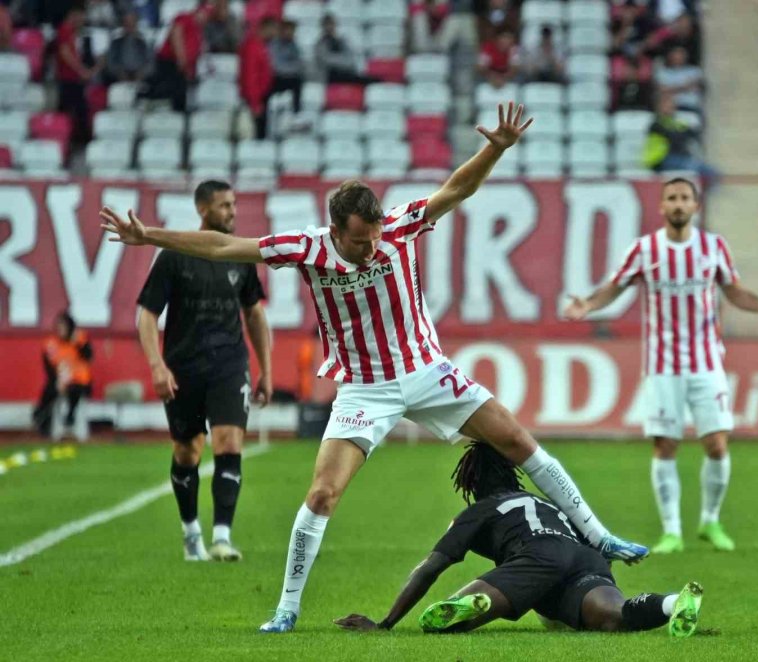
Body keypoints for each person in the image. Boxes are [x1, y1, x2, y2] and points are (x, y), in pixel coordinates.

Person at [100, 102, 650, 633]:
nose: (370, 249)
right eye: (359, 242)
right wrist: (148, 235)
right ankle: (287, 609)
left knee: (518, 440)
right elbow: (223, 248)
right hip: (365, 389)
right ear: (335, 230)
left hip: (427, 371)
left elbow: (457, 188)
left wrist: (496, 152)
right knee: (321, 495)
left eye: (374, 237)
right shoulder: (306, 248)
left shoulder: (400, 228)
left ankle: (598, 535)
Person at [563, 178, 758, 554]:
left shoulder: (713, 247)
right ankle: (671, 531)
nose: (679, 204)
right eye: (672, 198)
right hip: (663, 364)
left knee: (716, 443)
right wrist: (587, 304)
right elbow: (615, 286)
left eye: (685, 198)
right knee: (665, 444)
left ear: (696, 206)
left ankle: (711, 521)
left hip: (706, 361)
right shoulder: (644, 249)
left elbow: (733, 290)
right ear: (662, 207)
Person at [334, 441, 703, 637]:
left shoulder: (480, 510)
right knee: (614, 616)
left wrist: (385, 622)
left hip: (535, 561)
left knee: (441, 623)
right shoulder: (544, 502)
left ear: (473, 482)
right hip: (582, 559)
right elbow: (591, 544)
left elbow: (431, 566)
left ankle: (473, 603)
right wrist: (599, 580)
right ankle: (672, 603)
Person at [134, 180, 273, 563]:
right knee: (188, 450)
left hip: (229, 364)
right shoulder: (175, 256)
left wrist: (266, 368)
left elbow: (254, 313)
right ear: (202, 210)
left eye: (233, 204)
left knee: (229, 441)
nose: (232, 212)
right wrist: (157, 366)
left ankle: (222, 537)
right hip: (183, 367)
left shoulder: (240, 257)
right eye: (224, 205)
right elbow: (146, 315)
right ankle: (191, 531)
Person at [33, 311, 93, 441]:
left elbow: (88, 357)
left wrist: (78, 343)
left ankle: (71, 415)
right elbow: (48, 368)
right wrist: (57, 381)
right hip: (59, 380)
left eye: (64, 327)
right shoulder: (51, 344)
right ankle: (42, 416)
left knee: (75, 389)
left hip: (79, 381)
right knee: (49, 390)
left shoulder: (80, 339)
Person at [643, 93, 717, 186]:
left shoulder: (677, 123)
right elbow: (673, 137)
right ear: (659, 107)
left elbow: (693, 133)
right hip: (661, 160)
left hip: (680, 158)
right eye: (666, 105)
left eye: (672, 104)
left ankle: (704, 197)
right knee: (692, 168)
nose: (670, 107)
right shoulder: (656, 124)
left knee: (712, 172)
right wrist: (683, 133)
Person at [150, 3, 208, 111]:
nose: (205, 18)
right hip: (170, 62)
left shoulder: (198, 30)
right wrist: (181, 59)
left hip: (183, 67)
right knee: (174, 91)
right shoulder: (185, 18)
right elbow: (176, 34)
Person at [55, 5, 97, 146]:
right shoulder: (64, 30)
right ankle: (80, 140)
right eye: (80, 17)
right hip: (68, 78)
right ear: (73, 15)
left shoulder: (69, 32)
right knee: (78, 111)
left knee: (73, 110)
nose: (81, 21)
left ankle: (71, 139)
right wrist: (81, 70)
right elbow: (65, 53)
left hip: (71, 78)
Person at [238, 16, 276, 139]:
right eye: (273, 29)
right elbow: (250, 76)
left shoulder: (261, 45)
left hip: (260, 97)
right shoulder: (253, 46)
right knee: (256, 136)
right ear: (266, 28)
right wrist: (255, 103)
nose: (275, 33)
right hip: (255, 98)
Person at [314, 13, 374, 85]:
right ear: (323, 26)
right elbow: (328, 61)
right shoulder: (321, 43)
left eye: (331, 24)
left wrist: (344, 61)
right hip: (330, 75)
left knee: (368, 79)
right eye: (327, 24)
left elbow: (350, 56)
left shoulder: (341, 40)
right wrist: (343, 60)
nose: (330, 27)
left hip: (345, 72)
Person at [104, 11, 153, 84]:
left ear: (136, 24)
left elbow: (150, 64)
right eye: (127, 23)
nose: (130, 26)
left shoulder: (144, 43)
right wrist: (120, 74)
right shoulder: (115, 43)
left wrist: (141, 74)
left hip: (141, 79)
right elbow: (111, 63)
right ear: (123, 24)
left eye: (132, 23)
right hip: (119, 79)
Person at [268, 19, 304, 112]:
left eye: (293, 31)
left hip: (288, 77)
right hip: (275, 78)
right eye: (289, 30)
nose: (292, 33)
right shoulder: (274, 45)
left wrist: (291, 68)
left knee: (299, 80)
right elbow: (276, 66)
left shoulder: (293, 45)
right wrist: (292, 68)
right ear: (282, 31)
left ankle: (296, 113)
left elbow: (300, 65)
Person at [654, 46, 703, 112]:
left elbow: (697, 87)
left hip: (691, 107)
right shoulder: (662, 72)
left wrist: (672, 88)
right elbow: (663, 90)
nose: (678, 58)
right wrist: (685, 87)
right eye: (676, 56)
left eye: (681, 56)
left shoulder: (694, 71)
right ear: (670, 56)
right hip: (671, 110)